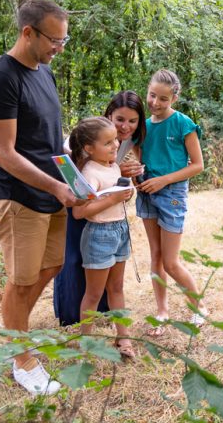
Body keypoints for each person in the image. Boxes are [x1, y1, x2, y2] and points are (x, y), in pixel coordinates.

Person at [0, 0, 79, 396]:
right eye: (55, 39)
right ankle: (21, 360)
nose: (60, 47)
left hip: (54, 195)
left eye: (64, 40)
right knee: (21, 282)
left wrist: (77, 173)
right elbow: (4, 151)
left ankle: (15, 333)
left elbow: (50, 142)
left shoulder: (45, 74)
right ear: (28, 32)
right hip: (19, 197)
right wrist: (54, 185)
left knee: (50, 266)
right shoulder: (2, 78)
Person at [53, 91, 146, 326]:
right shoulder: (91, 135)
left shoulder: (125, 142)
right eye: (120, 119)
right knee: (75, 259)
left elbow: (114, 171)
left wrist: (124, 176)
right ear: (109, 116)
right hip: (84, 201)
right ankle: (73, 315)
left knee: (109, 272)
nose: (125, 127)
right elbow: (75, 173)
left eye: (132, 121)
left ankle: (105, 313)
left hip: (110, 217)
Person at [136, 69, 206, 336]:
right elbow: (137, 157)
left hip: (172, 194)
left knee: (170, 262)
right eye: (152, 95)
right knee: (155, 256)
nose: (155, 102)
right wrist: (136, 175)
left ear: (174, 98)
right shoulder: (143, 125)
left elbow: (198, 166)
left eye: (163, 99)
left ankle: (199, 308)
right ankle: (162, 311)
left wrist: (163, 181)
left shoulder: (183, 123)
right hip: (146, 192)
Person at [69, 117, 136, 359]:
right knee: (94, 294)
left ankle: (123, 336)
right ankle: (86, 340)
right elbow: (79, 212)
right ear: (89, 148)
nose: (115, 145)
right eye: (107, 143)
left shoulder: (112, 166)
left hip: (119, 231)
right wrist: (112, 199)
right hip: (99, 235)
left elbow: (116, 197)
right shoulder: (89, 173)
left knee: (117, 287)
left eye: (115, 140)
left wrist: (125, 194)